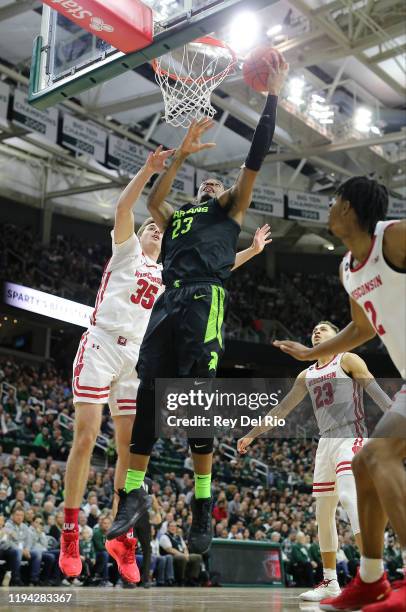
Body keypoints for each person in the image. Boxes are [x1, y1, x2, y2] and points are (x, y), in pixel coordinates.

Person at [107, 54, 289, 571]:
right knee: (148, 393)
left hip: (205, 298)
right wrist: (182, 154)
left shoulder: (228, 209)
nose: (210, 185)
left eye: (216, 182)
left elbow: (254, 159)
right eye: (203, 183)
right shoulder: (180, 216)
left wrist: (271, 97)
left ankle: (204, 501)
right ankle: (133, 496)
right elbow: (156, 202)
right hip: (169, 299)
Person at [273, 177, 406, 611]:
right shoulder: (349, 268)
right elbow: (361, 329)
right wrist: (311, 352)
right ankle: (370, 579)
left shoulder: (394, 237)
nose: (327, 207)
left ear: (348, 208)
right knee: (370, 462)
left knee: (375, 459)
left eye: (332, 200)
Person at [59, 146, 173, 582]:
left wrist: (250, 253)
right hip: (102, 344)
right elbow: (126, 205)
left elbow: (211, 272)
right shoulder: (126, 253)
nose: (153, 230)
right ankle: (71, 531)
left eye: (158, 230)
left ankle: (120, 535)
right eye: (150, 227)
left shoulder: (165, 276)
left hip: (133, 360)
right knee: (86, 439)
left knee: (130, 449)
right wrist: (148, 170)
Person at [238, 319, 392, 602]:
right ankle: (331, 582)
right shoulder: (306, 375)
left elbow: (375, 391)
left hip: (352, 436)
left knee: (348, 496)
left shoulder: (347, 359)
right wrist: (251, 434)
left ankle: (372, 575)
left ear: (337, 336)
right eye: (314, 330)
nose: (317, 332)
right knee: (323, 513)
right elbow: (282, 409)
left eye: (324, 329)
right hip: (325, 442)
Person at [5, 508, 42, 585]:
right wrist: (21, 550)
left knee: (37, 553)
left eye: (21, 515)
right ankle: (16, 578)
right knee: (17, 551)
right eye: (17, 515)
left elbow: (29, 541)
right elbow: (9, 542)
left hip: (24, 550)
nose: (19, 517)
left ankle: (34, 579)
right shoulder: (8, 525)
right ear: (12, 516)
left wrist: (27, 549)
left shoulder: (25, 527)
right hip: (10, 550)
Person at [159, 521, 202, 586]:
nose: (173, 528)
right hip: (171, 557)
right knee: (182, 558)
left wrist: (186, 554)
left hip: (182, 555)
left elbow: (185, 548)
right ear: (168, 528)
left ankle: (192, 578)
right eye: (171, 526)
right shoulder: (164, 537)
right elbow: (169, 549)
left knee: (197, 557)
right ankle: (181, 579)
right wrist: (182, 555)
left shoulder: (178, 537)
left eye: (175, 526)